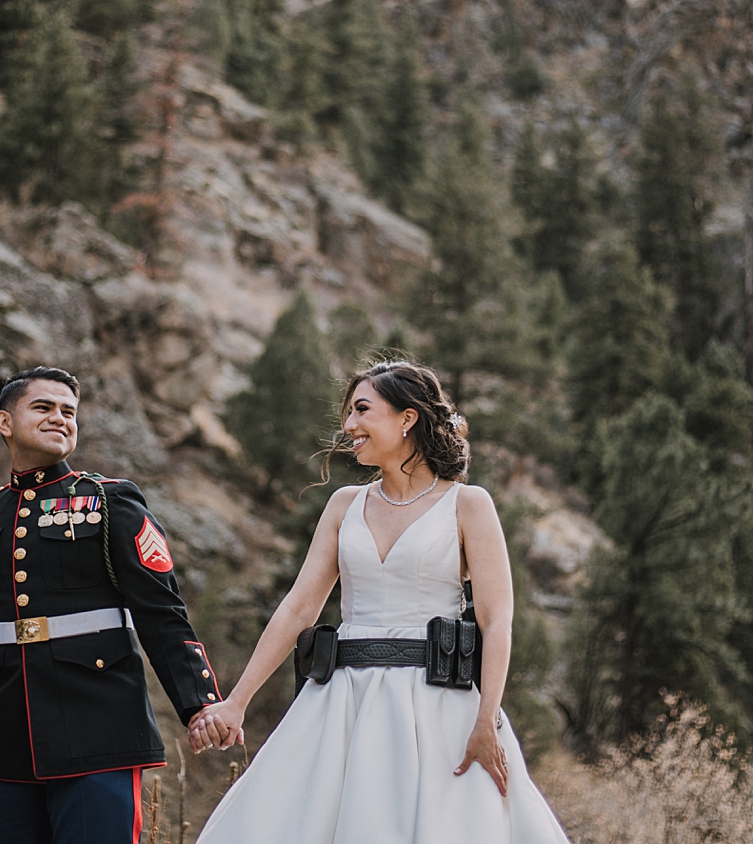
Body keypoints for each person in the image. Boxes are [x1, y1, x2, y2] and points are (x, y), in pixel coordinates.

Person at [187, 359, 571, 843]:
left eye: (362, 410)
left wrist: (486, 719)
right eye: (349, 413)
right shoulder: (344, 505)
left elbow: (498, 620)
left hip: (439, 709)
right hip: (341, 701)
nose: (349, 426)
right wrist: (236, 702)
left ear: (407, 418)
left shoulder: (468, 505)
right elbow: (298, 609)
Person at [0, 366, 222, 844]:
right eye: (43, 407)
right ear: (4, 423)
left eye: (69, 412)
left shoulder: (111, 503)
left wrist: (198, 704)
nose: (60, 418)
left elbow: (162, 614)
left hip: (99, 735)